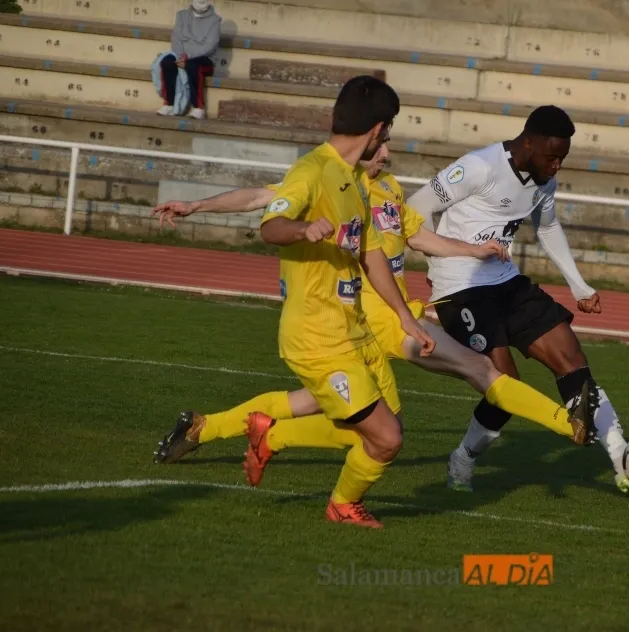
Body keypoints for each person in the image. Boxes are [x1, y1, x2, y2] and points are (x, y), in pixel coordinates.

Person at [152, 143, 601, 482]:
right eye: (379, 145)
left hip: (389, 317)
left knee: (319, 406)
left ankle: (207, 428)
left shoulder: (387, 190)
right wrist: (196, 205)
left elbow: (419, 238)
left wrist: (474, 250)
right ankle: (566, 423)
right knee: (480, 368)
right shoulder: (331, 187)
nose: (387, 152)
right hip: (366, 319)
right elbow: (257, 198)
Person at [163, 75, 433, 528]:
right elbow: (272, 224)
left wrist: (408, 319)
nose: (387, 144)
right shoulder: (312, 171)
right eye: (388, 133)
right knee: (384, 439)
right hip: (317, 336)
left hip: (354, 328)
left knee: (386, 430)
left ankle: (272, 436)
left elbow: (371, 255)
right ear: (378, 129)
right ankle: (341, 505)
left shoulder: (356, 182)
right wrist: (301, 230)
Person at [405, 105, 629, 493]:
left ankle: (623, 460)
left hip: (506, 282)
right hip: (461, 289)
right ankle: (464, 459)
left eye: (563, 158)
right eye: (551, 156)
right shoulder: (479, 166)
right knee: (504, 383)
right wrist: (445, 255)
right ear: (528, 143)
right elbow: (415, 207)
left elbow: (548, 227)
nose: (557, 165)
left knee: (572, 359)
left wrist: (578, 285)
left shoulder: (544, 180)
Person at [157, 0, 221, 120]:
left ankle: (198, 107)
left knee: (193, 66)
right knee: (166, 62)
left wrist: (188, 55)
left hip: (204, 59)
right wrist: (181, 55)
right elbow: (176, 38)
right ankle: (169, 104)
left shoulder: (215, 20)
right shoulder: (181, 15)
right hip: (181, 55)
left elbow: (210, 46)